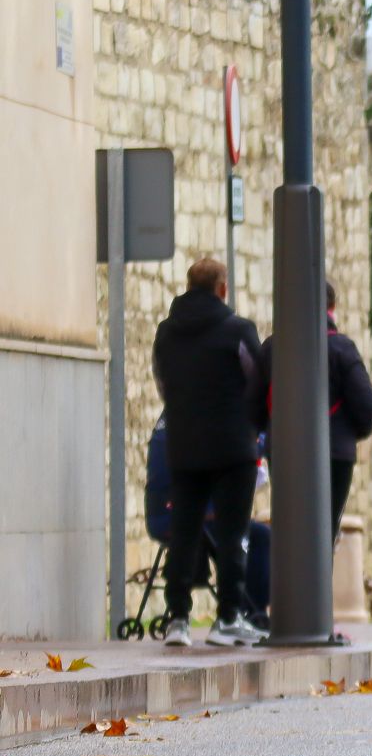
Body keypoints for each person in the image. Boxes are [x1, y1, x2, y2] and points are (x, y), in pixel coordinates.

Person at [151, 257, 266, 648]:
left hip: (184, 445)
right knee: (233, 534)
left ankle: (177, 619)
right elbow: (258, 381)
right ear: (222, 288)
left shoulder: (167, 332)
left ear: (188, 286)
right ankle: (228, 617)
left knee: (183, 533)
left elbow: (163, 382)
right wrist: (253, 425)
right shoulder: (238, 330)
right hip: (233, 448)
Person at [250, 280, 372, 535]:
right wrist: (346, 433)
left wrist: (272, 431)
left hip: (285, 452)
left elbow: (253, 406)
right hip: (334, 454)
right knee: (324, 530)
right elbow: (367, 406)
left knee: (290, 530)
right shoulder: (342, 348)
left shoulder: (273, 348)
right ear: (331, 308)